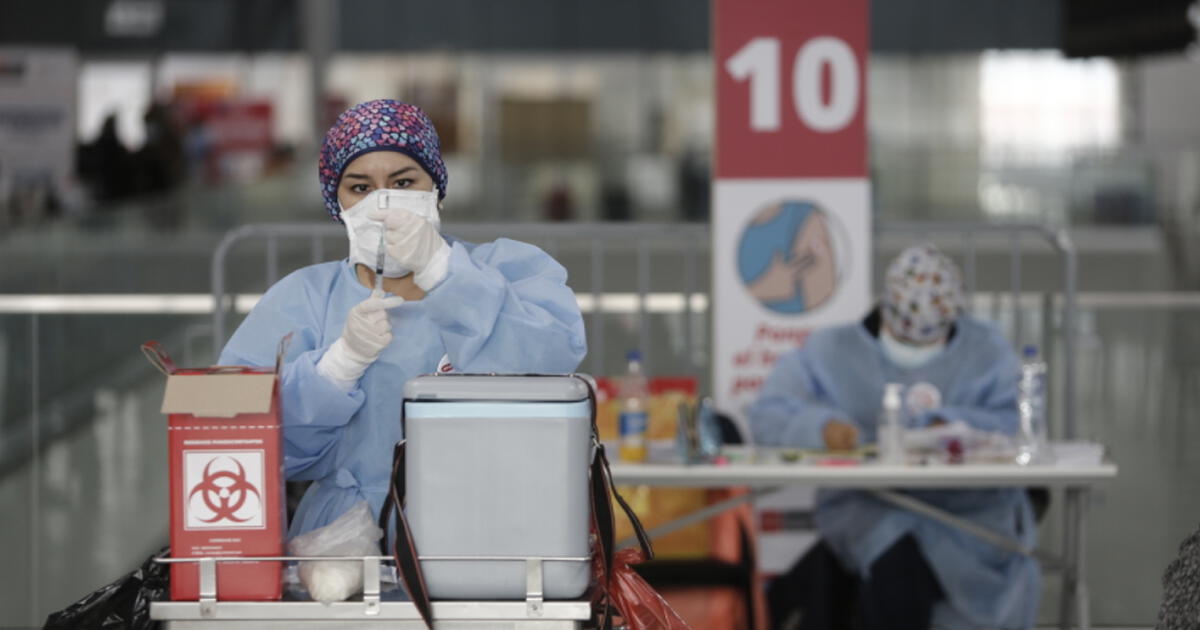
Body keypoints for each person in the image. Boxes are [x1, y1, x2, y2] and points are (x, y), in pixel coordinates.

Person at [218, 99, 587, 541]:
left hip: (489, 531)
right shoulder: (304, 299)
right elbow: (234, 435)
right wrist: (336, 367)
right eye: (360, 188)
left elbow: (553, 356)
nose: (382, 204)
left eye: (404, 182)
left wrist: (443, 271)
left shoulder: (509, 270)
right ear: (336, 203)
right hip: (346, 542)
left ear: (435, 187)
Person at [750, 244, 1039, 630]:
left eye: (927, 341)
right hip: (870, 504)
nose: (913, 351)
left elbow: (1019, 421)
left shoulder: (986, 350)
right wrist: (821, 429)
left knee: (899, 567)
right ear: (885, 309)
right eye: (905, 338)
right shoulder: (832, 350)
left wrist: (948, 425)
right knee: (894, 557)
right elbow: (768, 413)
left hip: (967, 512)